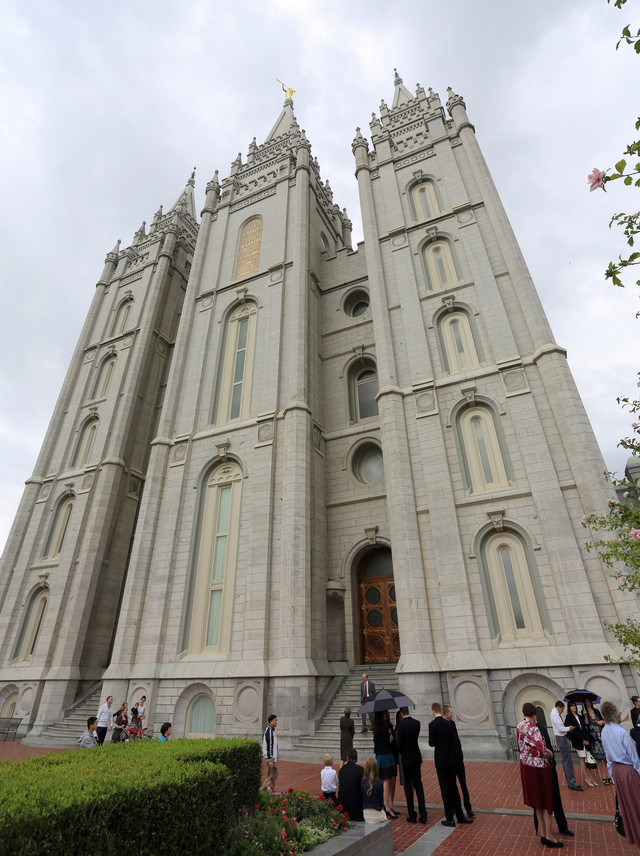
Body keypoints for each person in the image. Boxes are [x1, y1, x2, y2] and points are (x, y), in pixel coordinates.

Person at [517, 702, 562, 848]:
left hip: (526, 766)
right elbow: (541, 748)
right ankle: (549, 836)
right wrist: (549, 752)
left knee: (538, 804)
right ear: (534, 714)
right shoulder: (534, 728)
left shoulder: (519, 726)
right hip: (539, 768)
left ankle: (543, 834)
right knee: (547, 803)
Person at [601, 699, 640, 851]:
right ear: (615, 715)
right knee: (637, 803)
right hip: (628, 770)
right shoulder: (621, 732)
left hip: (617, 771)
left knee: (628, 806)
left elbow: (608, 758)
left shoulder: (604, 731)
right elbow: (634, 757)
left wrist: (613, 777)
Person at [429, 702, 472, 828]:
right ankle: (460, 816)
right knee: (454, 788)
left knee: (445, 790)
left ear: (433, 711)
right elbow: (454, 740)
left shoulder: (432, 725)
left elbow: (431, 743)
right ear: (441, 711)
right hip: (451, 760)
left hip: (441, 761)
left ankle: (449, 818)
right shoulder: (449, 724)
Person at [533, 720, 574, 839]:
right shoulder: (526, 730)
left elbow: (549, 746)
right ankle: (541, 830)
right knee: (539, 802)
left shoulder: (542, 728)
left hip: (548, 767)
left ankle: (563, 827)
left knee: (556, 798)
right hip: (537, 770)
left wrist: (552, 762)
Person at [395, 706, 427, 824]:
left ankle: (412, 814)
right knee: (419, 784)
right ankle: (423, 814)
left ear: (402, 714)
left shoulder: (400, 726)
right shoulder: (416, 723)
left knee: (408, 786)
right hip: (416, 756)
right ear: (408, 712)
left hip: (406, 758)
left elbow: (398, 745)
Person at [443, 705, 473, 818]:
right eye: (450, 712)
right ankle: (455, 807)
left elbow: (456, 740)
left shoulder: (452, 723)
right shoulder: (443, 725)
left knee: (463, 784)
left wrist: (460, 755)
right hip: (451, 760)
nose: (452, 714)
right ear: (445, 713)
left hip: (457, 758)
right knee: (452, 785)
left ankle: (467, 806)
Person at [565, 701, 598, 788]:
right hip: (578, 742)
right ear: (569, 708)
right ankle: (586, 778)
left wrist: (585, 715)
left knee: (587, 759)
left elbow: (585, 728)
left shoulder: (580, 716)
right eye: (572, 706)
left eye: (574, 706)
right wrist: (581, 740)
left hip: (585, 740)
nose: (574, 707)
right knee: (582, 759)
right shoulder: (568, 717)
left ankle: (591, 778)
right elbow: (571, 732)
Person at [550, 701, 581, 790]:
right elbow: (560, 728)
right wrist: (569, 728)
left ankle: (571, 781)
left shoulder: (554, 713)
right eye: (562, 710)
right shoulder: (555, 714)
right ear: (559, 707)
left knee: (567, 760)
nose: (562, 711)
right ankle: (571, 782)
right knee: (567, 761)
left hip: (561, 737)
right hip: (561, 737)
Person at [373, 709, 398, 819]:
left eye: (387, 714)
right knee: (386, 780)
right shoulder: (379, 728)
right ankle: (386, 806)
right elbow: (383, 743)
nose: (386, 716)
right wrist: (390, 738)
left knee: (392, 779)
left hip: (389, 755)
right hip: (383, 756)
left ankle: (390, 803)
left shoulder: (388, 726)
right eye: (384, 714)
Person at [583, 697, 609, 784]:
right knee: (598, 759)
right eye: (587, 701)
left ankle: (609, 775)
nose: (589, 702)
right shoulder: (584, 712)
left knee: (605, 758)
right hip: (593, 737)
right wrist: (585, 715)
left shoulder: (596, 711)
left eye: (589, 701)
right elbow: (586, 724)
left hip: (601, 734)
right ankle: (603, 777)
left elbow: (603, 720)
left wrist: (600, 722)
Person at [338, 747, 364, 821]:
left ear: (347, 758)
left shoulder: (342, 770)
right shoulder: (360, 770)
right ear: (356, 759)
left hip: (343, 807)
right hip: (356, 807)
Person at [360, 756, 387, 823]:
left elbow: (361, 798)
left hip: (365, 814)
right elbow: (381, 801)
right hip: (376, 812)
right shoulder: (379, 782)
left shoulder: (362, 782)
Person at [261, 714, 278, 792]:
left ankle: (270, 790)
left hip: (272, 758)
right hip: (271, 759)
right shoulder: (269, 732)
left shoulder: (271, 731)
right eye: (275, 720)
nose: (276, 722)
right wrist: (270, 760)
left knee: (273, 775)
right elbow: (269, 746)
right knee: (270, 776)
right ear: (271, 721)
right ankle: (262, 789)